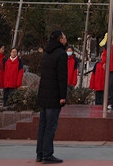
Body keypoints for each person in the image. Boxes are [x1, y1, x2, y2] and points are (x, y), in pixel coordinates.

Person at [36, 30, 68, 164]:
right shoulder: (61, 54)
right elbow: (62, 77)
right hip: (54, 95)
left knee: (43, 125)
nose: (66, 38)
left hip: (44, 95)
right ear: (60, 39)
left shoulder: (46, 53)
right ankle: (47, 154)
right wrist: (63, 96)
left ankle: (40, 153)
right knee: (50, 126)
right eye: (64, 36)